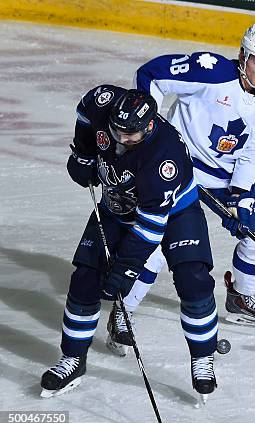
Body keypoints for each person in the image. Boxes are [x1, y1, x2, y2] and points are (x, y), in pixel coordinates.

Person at [106, 23, 255, 345]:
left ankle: (241, 297)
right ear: (243, 56)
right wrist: (155, 136)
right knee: (159, 247)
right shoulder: (211, 72)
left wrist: (241, 196)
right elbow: (151, 74)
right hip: (177, 168)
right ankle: (124, 310)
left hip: (223, 178)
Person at [40, 86, 218, 398]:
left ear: (148, 127)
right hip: (116, 203)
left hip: (174, 212)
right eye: (116, 131)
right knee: (85, 278)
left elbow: (150, 228)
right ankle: (73, 358)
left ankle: (202, 357)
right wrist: (82, 153)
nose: (121, 140)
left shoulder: (165, 156)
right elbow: (85, 112)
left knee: (194, 278)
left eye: (129, 136)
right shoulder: (104, 102)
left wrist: (124, 270)